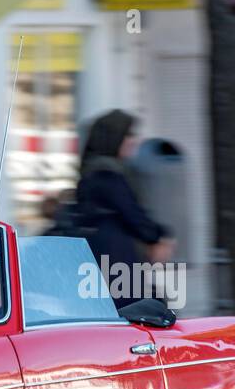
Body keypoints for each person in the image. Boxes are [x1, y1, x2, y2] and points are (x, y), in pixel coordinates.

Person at [74, 110, 175, 308]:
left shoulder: (94, 171)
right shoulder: (106, 174)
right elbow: (132, 214)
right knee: (147, 310)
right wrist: (160, 236)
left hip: (106, 264)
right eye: (128, 135)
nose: (133, 141)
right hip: (114, 263)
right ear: (114, 139)